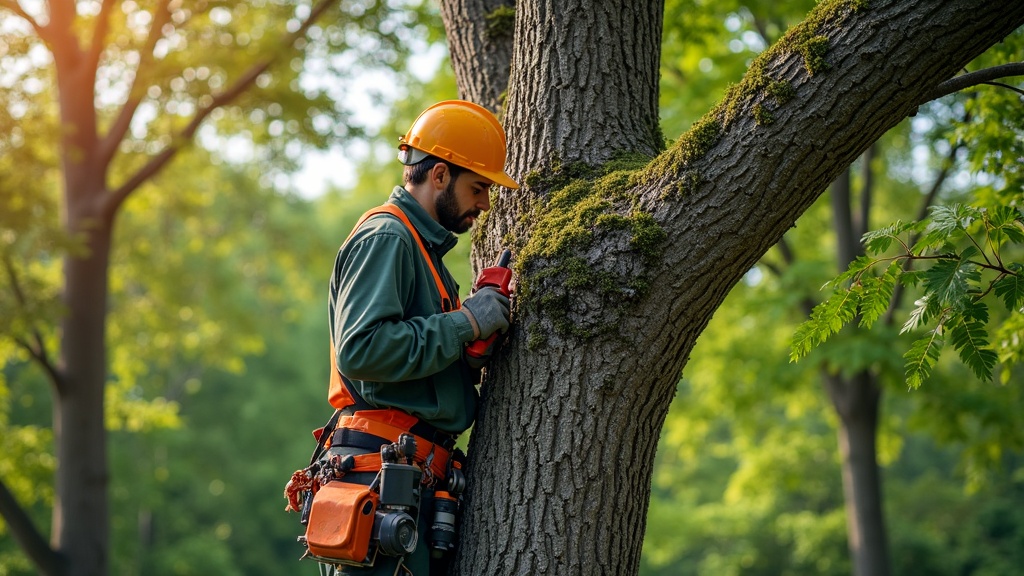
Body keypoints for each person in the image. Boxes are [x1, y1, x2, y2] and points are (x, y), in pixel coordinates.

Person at [319, 100, 519, 576]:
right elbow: (362, 350)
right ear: (441, 175)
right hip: (380, 476)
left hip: (412, 476)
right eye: (478, 187)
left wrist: (470, 350)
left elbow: (414, 360)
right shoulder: (388, 237)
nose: (486, 205)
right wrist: (464, 323)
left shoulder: (424, 252)